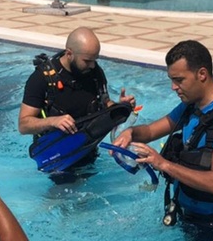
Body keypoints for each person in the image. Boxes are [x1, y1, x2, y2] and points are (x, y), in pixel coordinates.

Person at [112, 40, 213, 241]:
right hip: (186, 215)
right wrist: (129, 133)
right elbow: (151, 131)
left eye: (179, 80)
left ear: (202, 74)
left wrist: (163, 164)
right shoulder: (191, 107)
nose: (173, 87)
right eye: (171, 80)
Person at [19, 27, 135, 171]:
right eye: (87, 61)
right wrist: (53, 121)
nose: (92, 65)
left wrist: (118, 107)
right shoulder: (41, 79)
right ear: (69, 54)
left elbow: (103, 103)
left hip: (87, 150)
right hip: (56, 155)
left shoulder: (94, 72)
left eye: (95, 60)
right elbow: (23, 125)